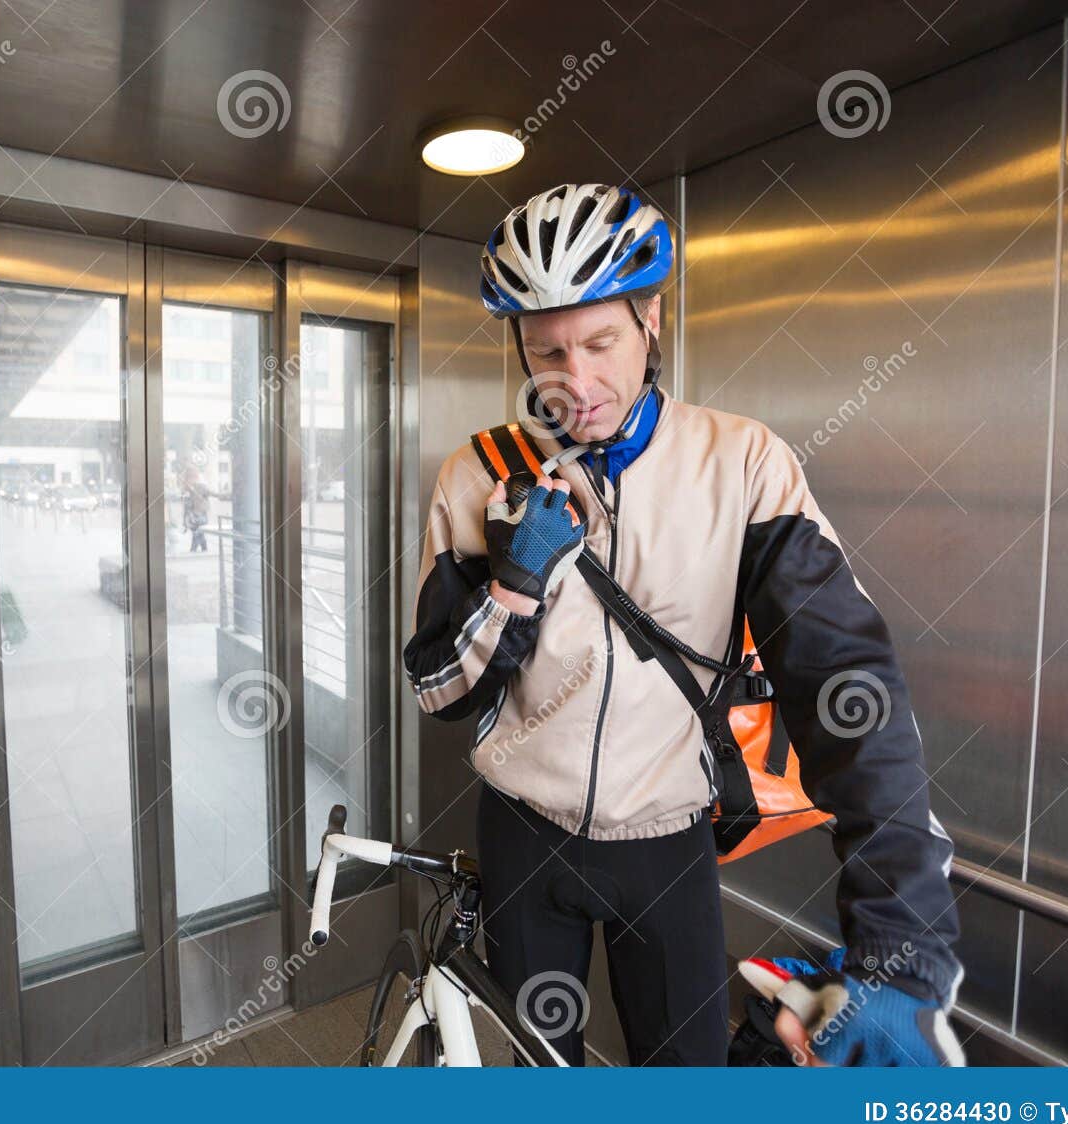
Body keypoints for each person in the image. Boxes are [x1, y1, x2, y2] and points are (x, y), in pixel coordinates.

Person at [402, 183, 964, 1067]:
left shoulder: (742, 463)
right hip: (523, 837)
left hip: (666, 848)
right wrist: (514, 584)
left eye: (600, 341)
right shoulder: (479, 474)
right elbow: (439, 690)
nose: (575, 381)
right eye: (547, 350)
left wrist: (904, 949)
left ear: (652, 318)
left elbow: (847, 685)